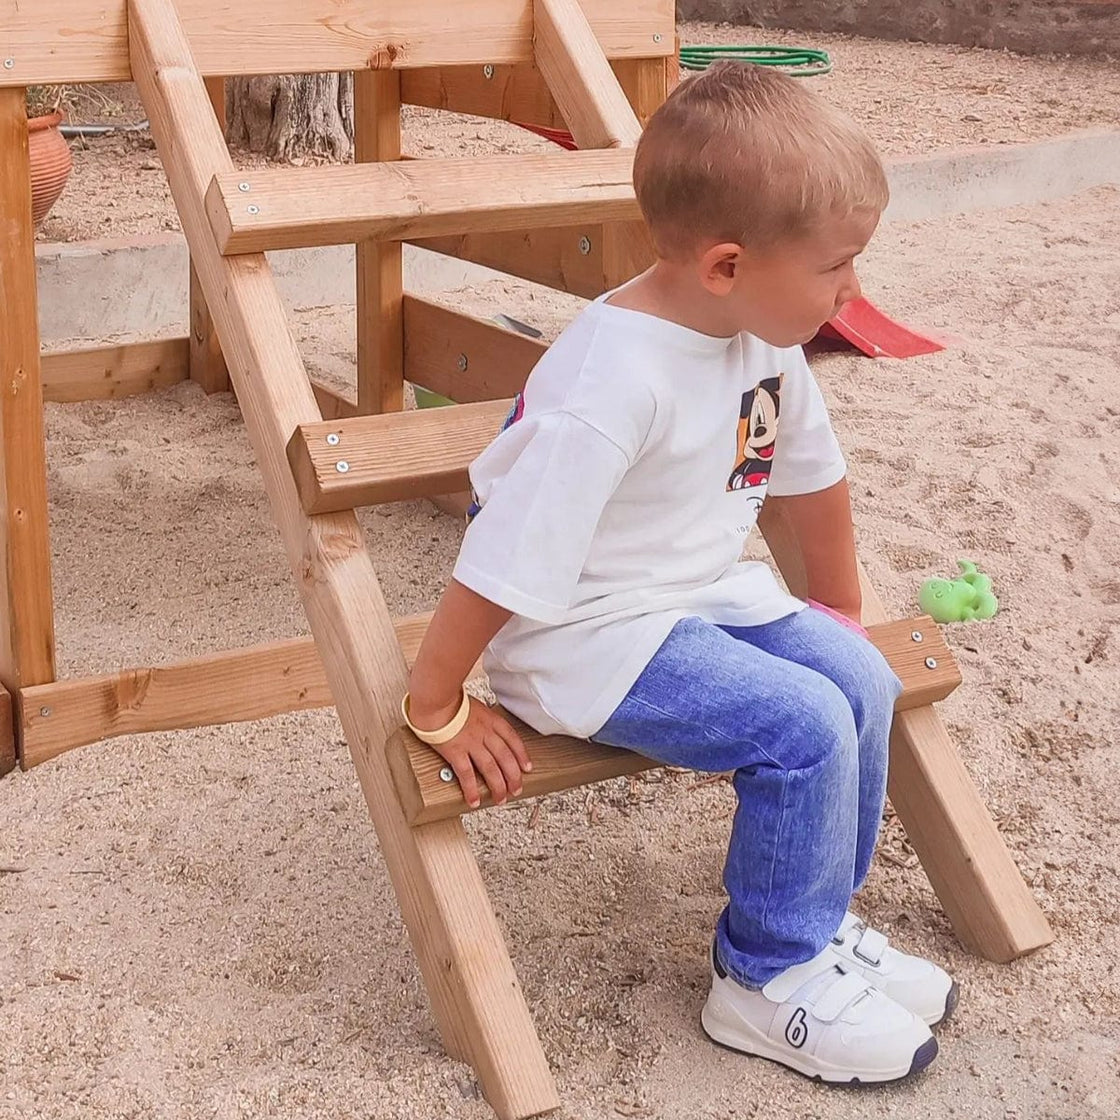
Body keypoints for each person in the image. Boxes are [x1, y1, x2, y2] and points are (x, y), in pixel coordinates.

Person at [402, 61, 956, 1084]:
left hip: (697, 596)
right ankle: (763, 977)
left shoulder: (762, 337)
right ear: (726, 266)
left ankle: (816, 921)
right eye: (837, 267)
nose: (855, 292)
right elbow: (507, 551)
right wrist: (437, 703)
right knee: (801, 724)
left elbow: (807, 479)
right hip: (585, 632)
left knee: (859, 677)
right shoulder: (612, 382)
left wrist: (832, 610)